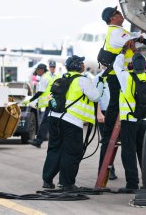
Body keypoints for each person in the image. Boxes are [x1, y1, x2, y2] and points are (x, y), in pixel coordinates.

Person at [42, 55, 103, 189]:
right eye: (81, 63)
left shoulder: (59, 79)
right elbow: (96, 96)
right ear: (77, 66)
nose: (83, 65)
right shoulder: (82, 80)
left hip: (54, 118)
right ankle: (66, 183)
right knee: (72, 152)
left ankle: (47, 180)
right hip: (71, 121)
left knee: (54, 149)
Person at [98, 6, 146, 172]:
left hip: (119, 74)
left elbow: (133, 38)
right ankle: (111, 124)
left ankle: (111, 126)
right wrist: (143, 36)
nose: (120, 15)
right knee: (115, 102)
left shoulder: (117, 31)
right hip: (117, 74)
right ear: (112, 18)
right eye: (117, 13)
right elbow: (131, 40)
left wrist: (141, 36)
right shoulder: (117, 32)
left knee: (117, 100)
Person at [113, 51, 146, 193]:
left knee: (128, 152)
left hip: (129, 120)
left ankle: (132, 184)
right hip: (144, 120)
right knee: (143, 151)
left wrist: (123, 52)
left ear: (132, 65)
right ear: (145, 66)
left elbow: (116, 66)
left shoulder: (126, 77)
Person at [24, 62, 59, 148]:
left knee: (45, 122)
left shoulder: (44, 77)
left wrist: (30, 100)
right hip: (55, 101)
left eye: (37, 70)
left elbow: (40, 92)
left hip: (50, 102)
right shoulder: (53, 76)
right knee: (53, 122)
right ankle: (54, 141)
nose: (37, 72)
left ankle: (38, 141)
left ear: (41, 70)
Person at [93, 67, 118, 180]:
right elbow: (95, 98)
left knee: (117, 144)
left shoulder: (120, 74)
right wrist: (98, 113)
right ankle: (105, 171)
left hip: (118, 112)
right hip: (104, 113)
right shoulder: (98, 78)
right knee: (107, 143)